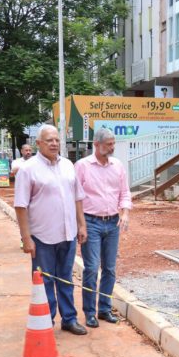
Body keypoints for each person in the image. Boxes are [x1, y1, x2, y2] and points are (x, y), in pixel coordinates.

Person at [14, 124, 89, 336]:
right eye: (49, 140)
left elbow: (77, 198)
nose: (54, 143)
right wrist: (26, 238)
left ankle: (69, 319)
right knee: (44, 281)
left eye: (56, 140)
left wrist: (81, 225)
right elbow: (20, 206)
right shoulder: (28, 170)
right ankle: (46, 320)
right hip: (42, 237)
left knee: (65, 278)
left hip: (68, 234)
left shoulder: (68, 165)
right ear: (38, 144)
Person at [74, 128, 131, 328]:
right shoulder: (82, 166)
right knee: (91, 268)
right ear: (96, 145)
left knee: (110, 268)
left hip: (112, 222)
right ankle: (89, 312)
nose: (112, 147)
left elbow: (124, 192)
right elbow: (76, 197)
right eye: (109, 144)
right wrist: (81, 224)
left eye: (113, 143)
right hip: (91, 222)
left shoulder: (118, 166)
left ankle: (104, 309)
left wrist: (124, 212)